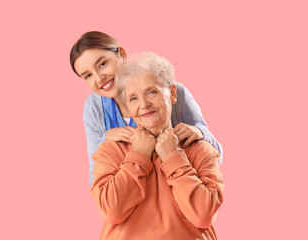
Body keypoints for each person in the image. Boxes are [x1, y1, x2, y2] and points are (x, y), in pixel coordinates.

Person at [91, 52, 224, 240]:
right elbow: (112, 211)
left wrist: (174, 157)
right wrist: (138, 157)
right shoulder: (110, 151)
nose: (143, 105)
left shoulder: (201, 150)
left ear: (172, 94)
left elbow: (203, 216)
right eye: (133, 98)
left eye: (151, 92)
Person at [70, 31, 223, 186]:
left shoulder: (168, 91)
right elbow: (95, 180)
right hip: (129, 199)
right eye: (87, 75)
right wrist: (106, 139)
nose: (98, 78)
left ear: (122, 54)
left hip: (179, 193)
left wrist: (200, 133)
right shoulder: (94, 108)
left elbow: (217, 157)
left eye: (102, 64)